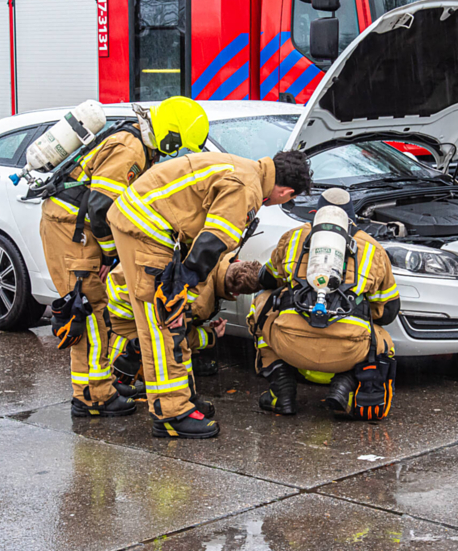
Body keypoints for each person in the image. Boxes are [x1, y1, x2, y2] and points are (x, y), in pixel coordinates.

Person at [106, 149, 312, 438]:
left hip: (143, 221)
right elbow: (213, 239)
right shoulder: (247, 187)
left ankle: (183, 398)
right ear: (287, 192)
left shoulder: (243, 168)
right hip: (146, 230)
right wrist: (182, 283)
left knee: (172, 320)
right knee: (165, 322)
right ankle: (172, 413)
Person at [41, 96, 209, 419]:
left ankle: (98, 387)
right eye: (178, 145)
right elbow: (101, 206)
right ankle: (92, 398)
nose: (175, 153)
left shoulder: (135, 142)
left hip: (75, 227)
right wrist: (108, 254)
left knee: (96, 313)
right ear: (170, 135)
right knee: (87, 312)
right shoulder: (131, 149)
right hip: (72, 231)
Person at [247, 188, 401, 421]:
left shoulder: (294, 237)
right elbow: (387, 312)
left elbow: (265, 279)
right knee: (382, 340)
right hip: (349, 350)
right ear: (352, 218)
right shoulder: (373, 250)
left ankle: (281, 389)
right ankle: (347, 382)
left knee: (261, 302)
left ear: (315, 214)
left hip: (289, 342)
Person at [105, 253, 264, 397]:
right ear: (236, 294)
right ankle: (119, 374)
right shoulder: (199, 301)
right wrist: (211, 335)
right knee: (157, 349)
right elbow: (178, 334)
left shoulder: (210, 257)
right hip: (123, 313)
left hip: (123, 286)